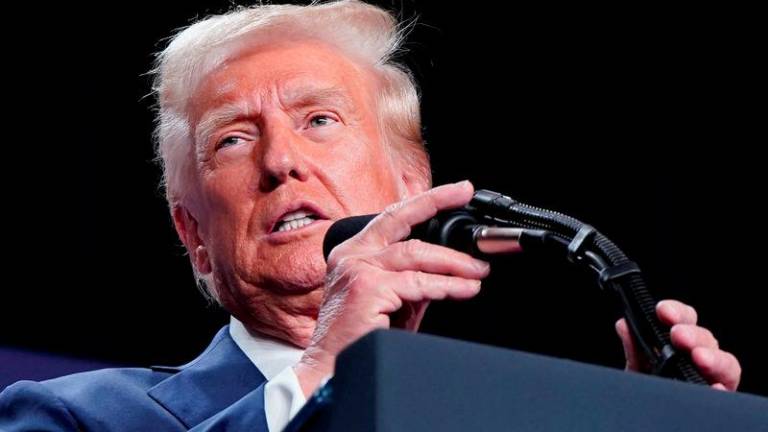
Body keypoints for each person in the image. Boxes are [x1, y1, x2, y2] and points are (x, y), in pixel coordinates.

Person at [0, 1, 741, 430]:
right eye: (232, 138)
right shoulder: (71, 416)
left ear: (412, 185)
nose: (281, 162)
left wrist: (653, 422)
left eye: (319, 120)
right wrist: (324, 373)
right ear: (193, 235)